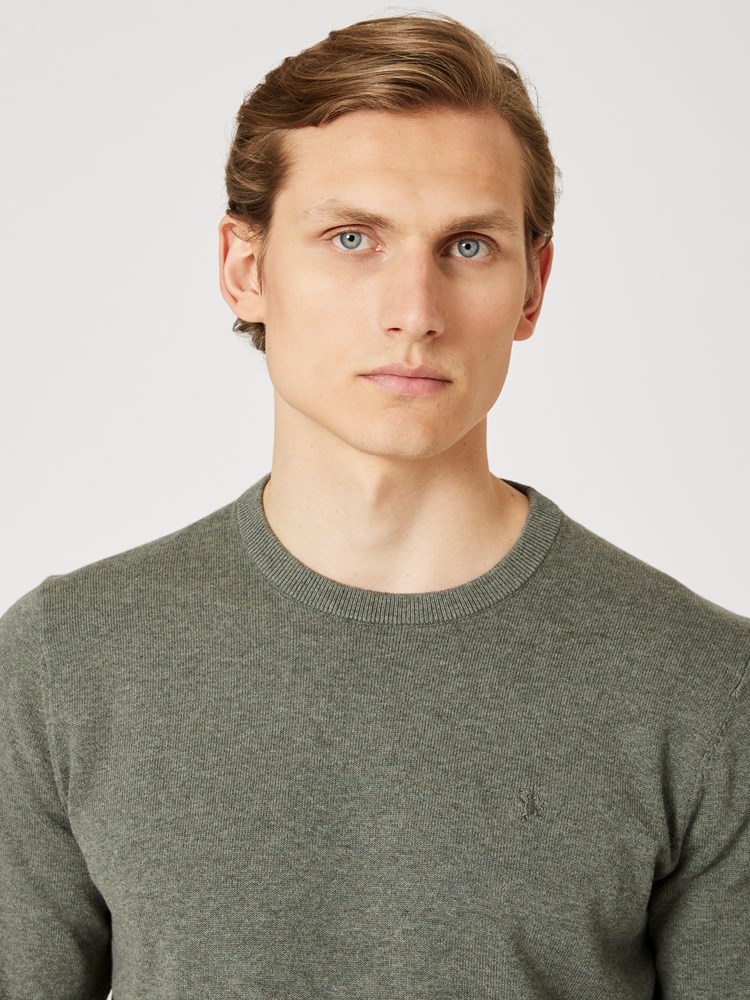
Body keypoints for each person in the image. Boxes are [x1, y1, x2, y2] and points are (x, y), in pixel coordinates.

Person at [1, 12, 748, 999]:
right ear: (245, 269)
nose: (414, 311)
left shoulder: (706, 689)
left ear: (534, 286)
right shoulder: (63, 663)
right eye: (352, 238)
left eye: (469, 246)